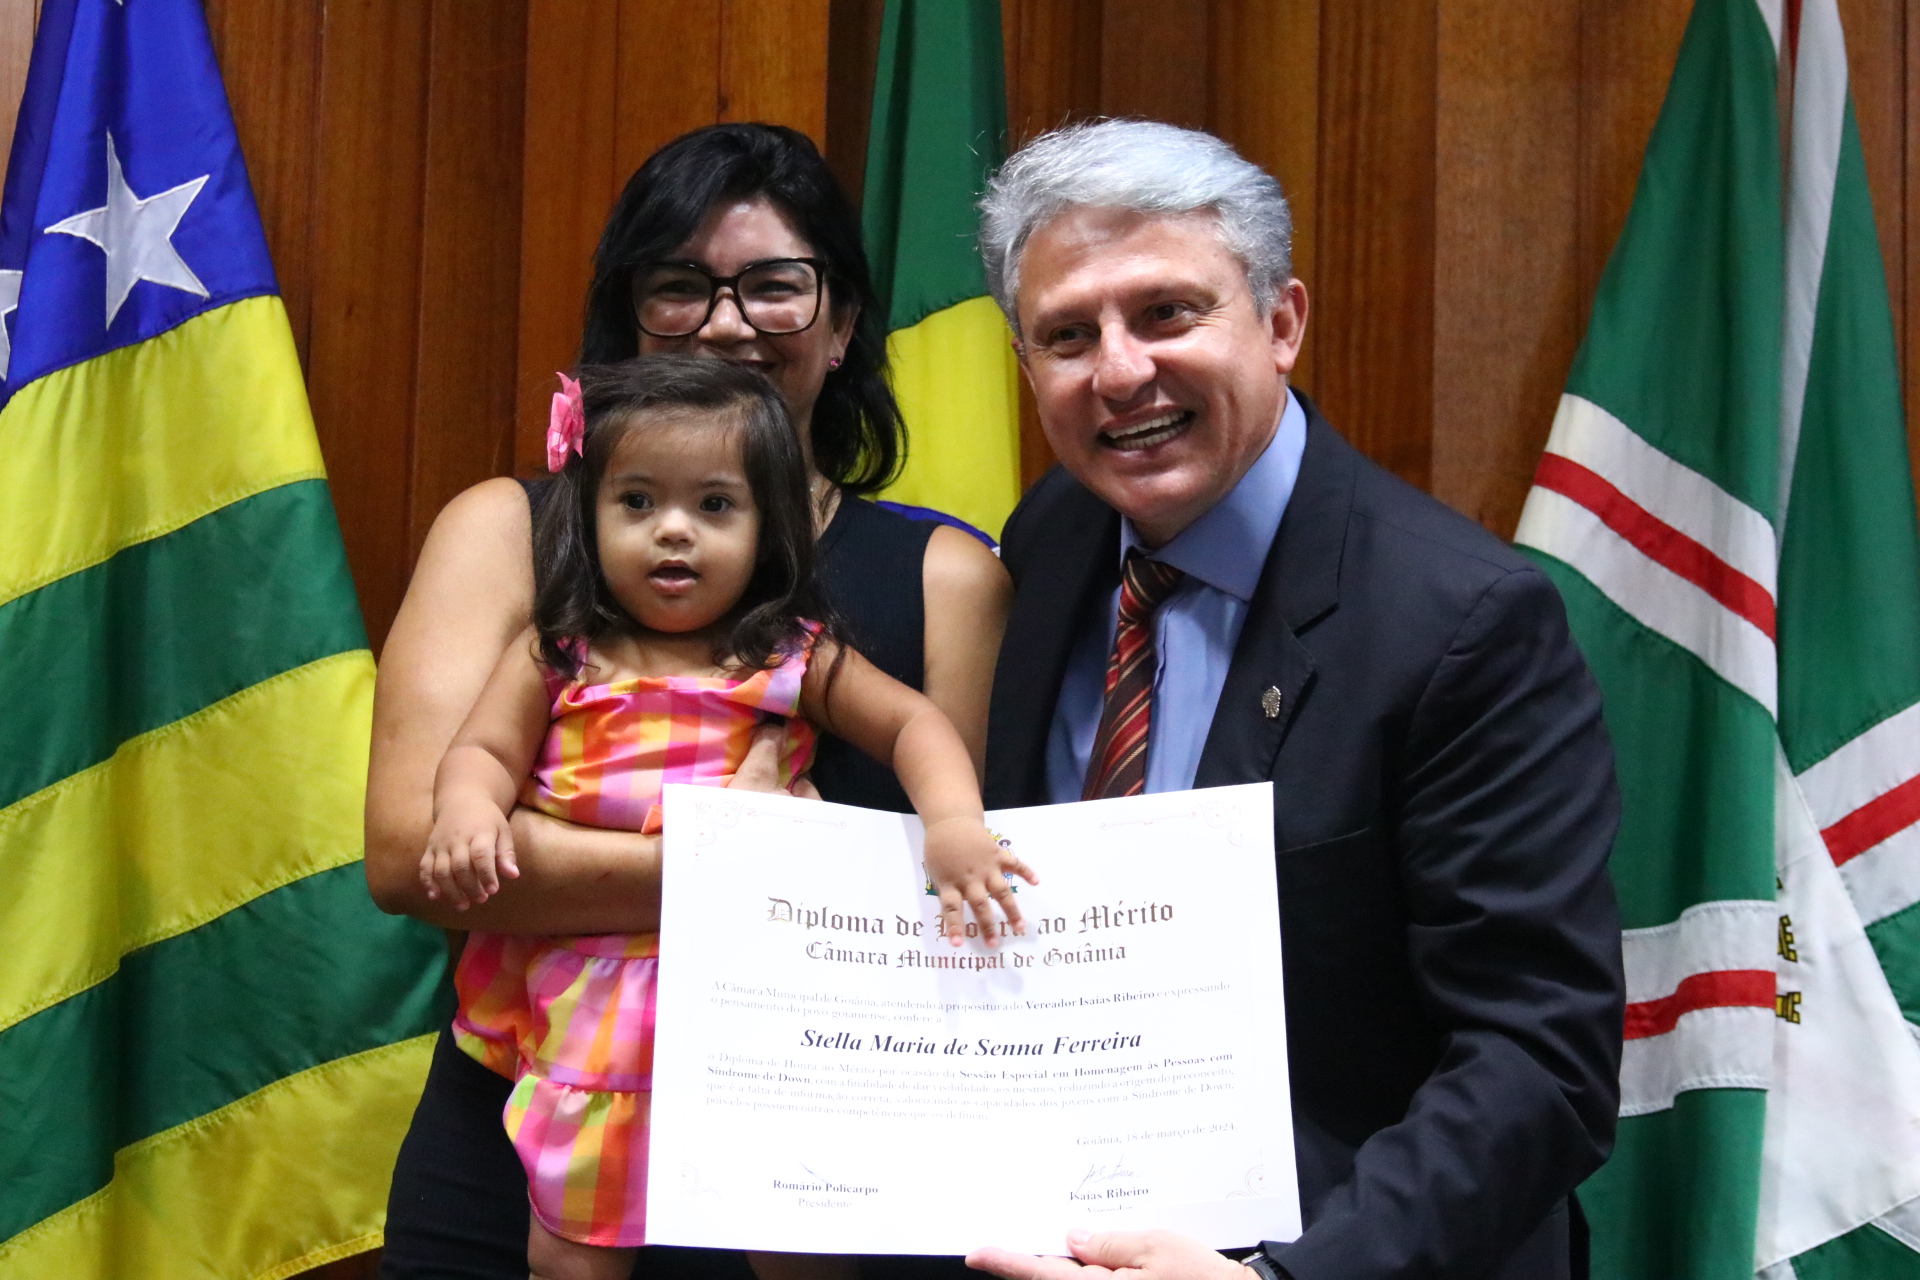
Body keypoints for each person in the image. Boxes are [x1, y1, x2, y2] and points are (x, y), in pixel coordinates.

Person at [966, 121, 1624, 1280]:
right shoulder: (1052, 540)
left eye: (1166, 312)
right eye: (1068, 334)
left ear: (1281, 322)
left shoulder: (1465, 622)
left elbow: (1539, 1056)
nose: (1117, 371)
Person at [368, 124, 1011, 1280]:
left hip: (809, 1141)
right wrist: (730, 856)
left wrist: (588, 860)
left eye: (774, 285)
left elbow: (935, 898)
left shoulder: (945, 578)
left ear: (842, 323)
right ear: (629, 318)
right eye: (679, 284)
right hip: (532, 1125)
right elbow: (417, 856)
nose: (724, 323)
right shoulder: (510, 533)